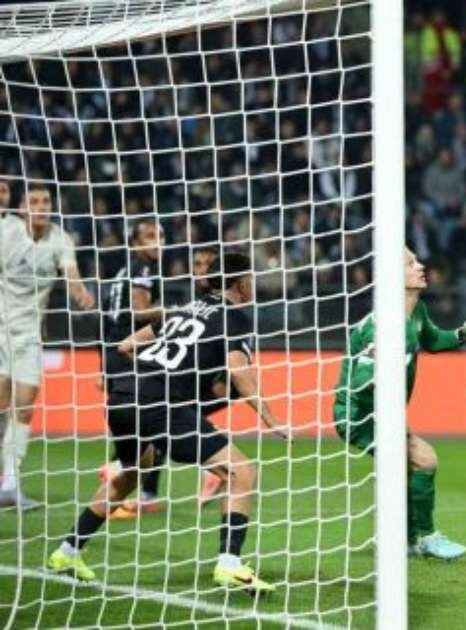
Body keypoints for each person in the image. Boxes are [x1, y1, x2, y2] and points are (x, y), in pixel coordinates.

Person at [48, 252, 288, 592]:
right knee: (241, 471)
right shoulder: (235, 317)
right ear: (240, 283)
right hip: (160, 402)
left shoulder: (187, 309)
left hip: (123, 396)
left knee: (133, 473)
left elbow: (125, 345)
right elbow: (238, 372)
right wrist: (272, 420)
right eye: (250, 278)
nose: (253, 284)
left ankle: (67, 552)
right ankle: (230, 565)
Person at [333, 247, 466, 560]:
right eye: (410, 263)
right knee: (424, 460)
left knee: (408, 468)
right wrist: (380, 378)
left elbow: (434, 340)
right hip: (359, 414)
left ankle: (406, 539)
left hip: (383, 414)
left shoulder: (416, 312)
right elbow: (360, 383)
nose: (421, 265)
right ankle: (425, 537)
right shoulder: (382, 327)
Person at [98, 241, 225, 515]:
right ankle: (147, 487)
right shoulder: (193, 299)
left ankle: (129, 477)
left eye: (208, 265)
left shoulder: (218, 302)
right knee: (156, 422)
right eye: (197, 264)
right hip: (170, 375)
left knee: (155, 420)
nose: (201, 270)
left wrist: (222, 379)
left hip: (203, 379)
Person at [0, 184, 95, 510]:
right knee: (1, 408)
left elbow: (71, 275)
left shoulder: (60, 239)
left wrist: (80, 293)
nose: (41, 206)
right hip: (0, 330)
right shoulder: (7, 230)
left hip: (29, 336)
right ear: (22, 207)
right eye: (34, 201)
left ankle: (10, 484)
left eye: (45, 201)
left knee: (25, 407)